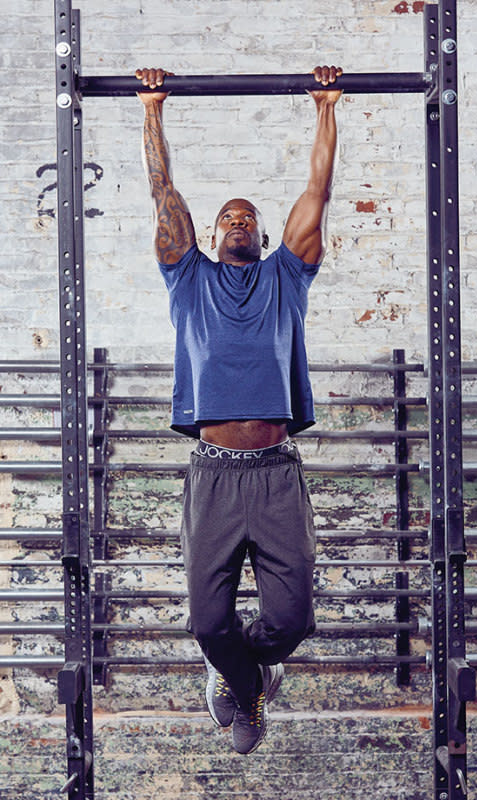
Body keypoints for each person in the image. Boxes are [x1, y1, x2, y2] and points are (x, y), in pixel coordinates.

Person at [136, 65, 342, 754]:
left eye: (247, 217)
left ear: (259, 233)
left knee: (292, 618)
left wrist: (324, 108)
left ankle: (249, 668)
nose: (237, 222)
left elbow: (316, 192)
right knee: (205, 620)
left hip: (277, 473)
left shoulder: (287, 274)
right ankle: (236, 677)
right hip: (214, 474)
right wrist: (152, 109)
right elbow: (163, 192)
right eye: (227, 218)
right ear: (210, 234)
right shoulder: (186, 277)